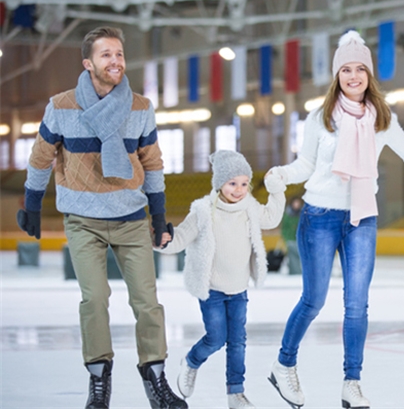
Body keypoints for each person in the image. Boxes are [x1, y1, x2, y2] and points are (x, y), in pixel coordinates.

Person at [265, 30, 404, 409]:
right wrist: (281, 174)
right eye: (346, 69)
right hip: (321, 214)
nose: (354, 76)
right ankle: (284, 365)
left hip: (363, 217)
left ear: (370, 74)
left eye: (360, 68)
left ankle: (351, 382)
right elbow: (307, 164)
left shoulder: (382, 118)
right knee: (313, 300)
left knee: (357, 304)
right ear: (336, 75)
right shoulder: (320, 117)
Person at [16, 26, 186, 409]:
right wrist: (31, 204)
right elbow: (41, 157)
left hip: (130, 217)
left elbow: (153, 164)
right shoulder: (61, 106)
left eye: (120, 54)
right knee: (94, 299)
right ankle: (99, 381)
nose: (115, 61)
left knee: (148, 301)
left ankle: (156, 380)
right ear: (88, 63)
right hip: (83, 219)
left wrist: (158, 219)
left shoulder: (140, 107)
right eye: (106, 55)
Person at [156, 150, 286, 409]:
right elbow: (181, 237)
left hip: (239, 289)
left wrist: (276, 190)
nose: (239, 190)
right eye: (232, 183)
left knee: (237, 342)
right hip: (212, 290)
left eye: (244, 184)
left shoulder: (249, 207)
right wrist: (162, 241)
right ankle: (191, 361)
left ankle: (235, 393)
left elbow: (271, 217)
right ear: (219, 183)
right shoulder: (203, 210)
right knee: (216, 338)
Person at [280, 197, 304, 275]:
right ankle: (294, 272)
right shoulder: (288, 214)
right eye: (295, 203)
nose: (296, 205)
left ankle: (301, 272)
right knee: (292, 256)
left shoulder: (302, 214)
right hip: (290, 238)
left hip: (300, 239)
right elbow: (284, 227)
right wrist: (286, 237)